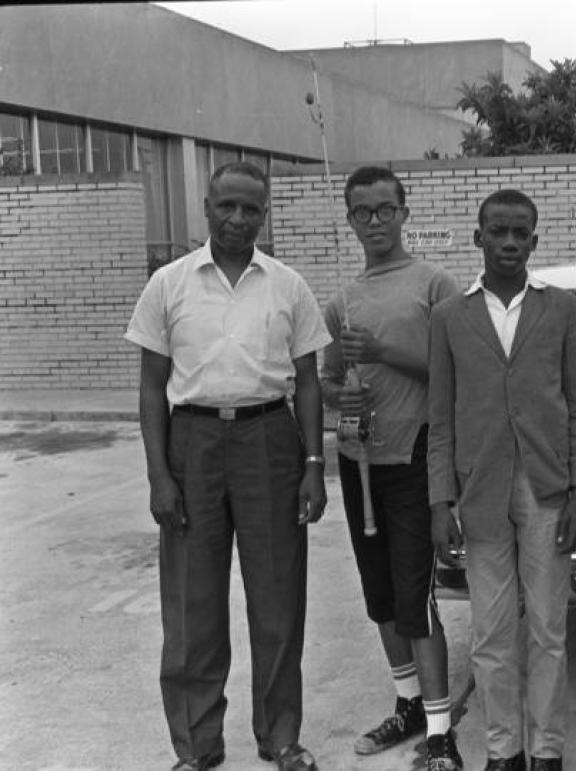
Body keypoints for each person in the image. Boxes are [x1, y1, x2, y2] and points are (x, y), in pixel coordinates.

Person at [125, 162, 331, 771]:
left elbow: (312, 381)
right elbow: (150, 387)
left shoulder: (288, 285)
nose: (238, 219)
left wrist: (314, 463)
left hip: (270, 441)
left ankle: (280, 738)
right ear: (207, 208)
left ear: (264, 215)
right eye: (227, 207)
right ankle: (196, 746)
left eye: (251, 209)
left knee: (277, 602)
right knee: (192, 607)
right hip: (192, 447)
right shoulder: (169, 283)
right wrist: (159, 475)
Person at [427, 189, 576, 771]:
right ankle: (505, 750)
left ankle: (546, 750)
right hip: (480, 489)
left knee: (548, 627)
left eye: (520, 233)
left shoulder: (564, 309)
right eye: (497, 231)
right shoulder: (450, 316)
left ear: (534, 241)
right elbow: (441, 414)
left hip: (547, 487)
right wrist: (438, 499)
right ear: (478, 237)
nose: (509, 242)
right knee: (491, 632)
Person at [319, 166, 462, 769]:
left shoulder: (434, 285)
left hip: (417, 458)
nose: (374, 222)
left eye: (384, 210)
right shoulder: (342, 300)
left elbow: (457, 374)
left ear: (404, 212)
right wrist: (338, 400)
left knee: (415, 594)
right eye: (362, 213)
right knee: (379, 594)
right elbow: (325, 380)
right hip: (361, 464)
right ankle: (406, 703)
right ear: (349, 219)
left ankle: (439, 731)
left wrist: (384, 354)